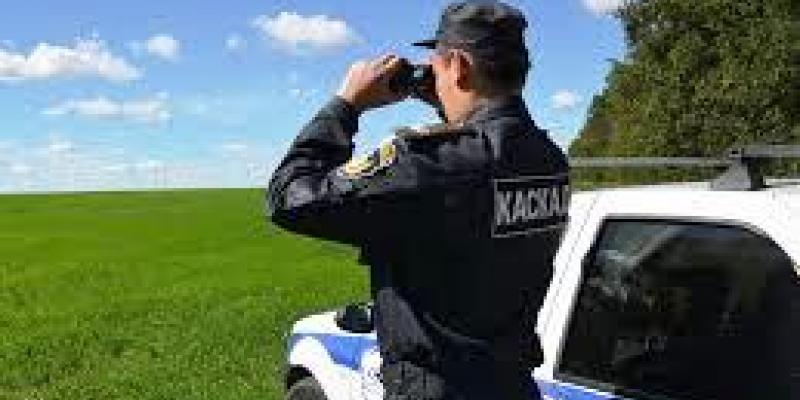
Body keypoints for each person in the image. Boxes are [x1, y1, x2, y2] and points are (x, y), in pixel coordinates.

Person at [267, 1, 569, 399]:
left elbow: (290, 196)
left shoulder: (427, 165)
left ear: (458, 65)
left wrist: (346, 105)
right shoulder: (548, 158)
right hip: (512, 386)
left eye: (437, 65)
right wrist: (451, 102)